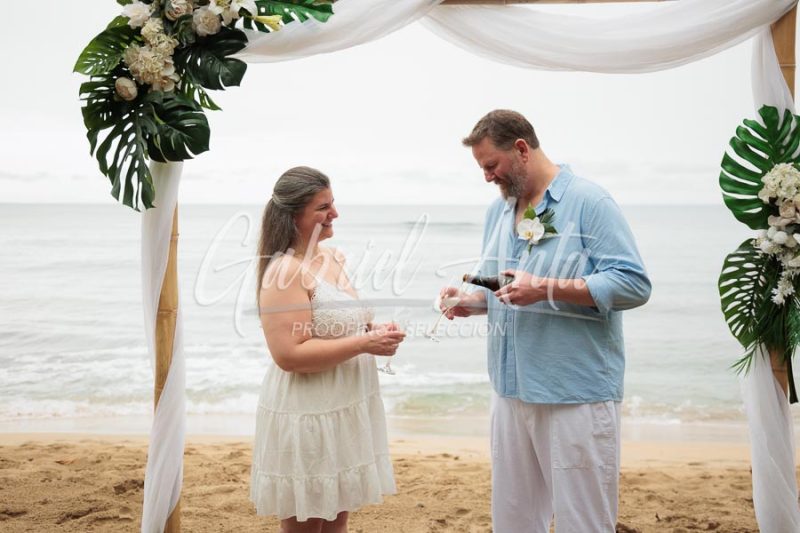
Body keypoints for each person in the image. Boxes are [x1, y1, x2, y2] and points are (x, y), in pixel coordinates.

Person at [440, 110, 651, 532]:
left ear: (521, 149)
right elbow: (501, 285)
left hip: (574, 394)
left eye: (490, 166)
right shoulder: (497, 213)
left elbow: (633, 284)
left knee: (583, 522)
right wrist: (470, 301)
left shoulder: (591, 202)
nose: (487, 177)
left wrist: (548, 288)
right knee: (514, 520)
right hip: (510, 391)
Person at [250, 166, 405, 533]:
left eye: (332, 203)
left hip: (345, 405)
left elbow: (340, 323)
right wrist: (364, 343)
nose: (334, 213)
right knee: (308, 521)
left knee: (337, 516)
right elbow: (288, 355)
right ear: (293, 216)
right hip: (309, 411)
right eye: (323, 207)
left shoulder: (332, 257)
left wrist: (375, 332)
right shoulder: (283, 272)